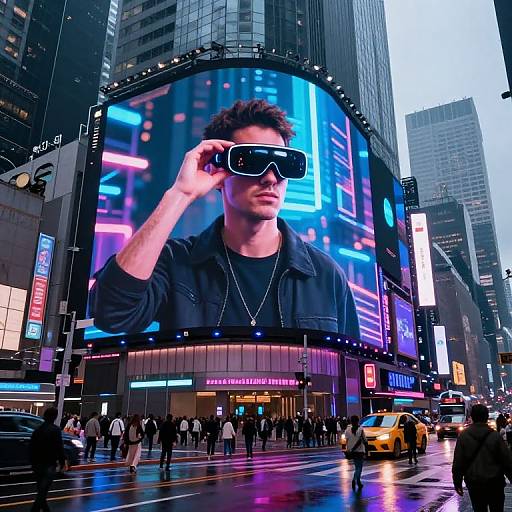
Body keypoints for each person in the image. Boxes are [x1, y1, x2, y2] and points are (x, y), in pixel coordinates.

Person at [90, 99, 360, 337]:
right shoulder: (177, 263)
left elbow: (351, 371)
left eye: (284, 164)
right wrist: (180, 194)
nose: (270, 177)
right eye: (251, 162)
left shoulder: (325, 276)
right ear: (218, 173)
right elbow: (112, 314)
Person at [452, 404, 512, 512]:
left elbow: (458, 462)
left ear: (472, 417)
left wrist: (457, 482)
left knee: (479, 509)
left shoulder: (463, 436)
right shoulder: (495, 436)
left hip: (475, 484)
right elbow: (506, 460)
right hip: (495, 483)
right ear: (486, 416)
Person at [29, 407, 67, 512]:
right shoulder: (55, 430)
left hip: (37, 463)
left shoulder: (37, 430)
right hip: (49, 463)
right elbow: (59, 447)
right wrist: (62, 462)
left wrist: (32, 461)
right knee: (43, 491)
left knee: (41, 490)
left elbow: (31, 447)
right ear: (55, 417)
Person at [344, 415, 367, 491]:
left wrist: (348, 449)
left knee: (356, 466)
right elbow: (365, 440)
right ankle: (355, 480)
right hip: (360, 450)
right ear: (358, 421)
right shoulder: (360, 429)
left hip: (352, 451)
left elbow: (346, 441)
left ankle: (358, 481)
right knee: (359, 468)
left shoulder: (347, 430)